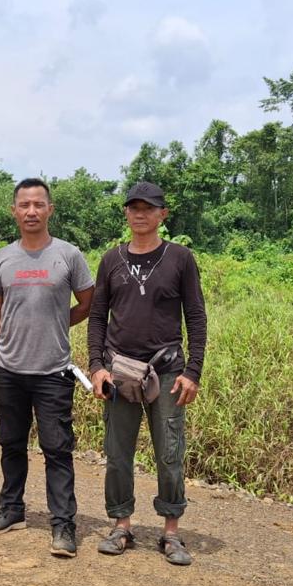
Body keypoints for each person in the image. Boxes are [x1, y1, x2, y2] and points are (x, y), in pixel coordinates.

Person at [88, 181, 207, 566]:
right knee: (118, 453)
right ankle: (121, 525)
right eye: (133, 207)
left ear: (162, 215)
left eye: (148, 208)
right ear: (126, 213)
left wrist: (193, 371)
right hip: (120, 371)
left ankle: (170, 533)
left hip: (168, 370)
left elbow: (196, 316)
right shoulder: (111, 259)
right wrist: (96, 367)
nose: (140, 213)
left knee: (169, 452)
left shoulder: (180, 258)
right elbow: (97, 317)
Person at [0, 178, 94, 557]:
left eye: (38, 205)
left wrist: (59, 324)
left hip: (53, 371)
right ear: (14, 211)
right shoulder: (2, 258)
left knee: (57, 448)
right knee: (11, 443)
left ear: (50, 210)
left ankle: (63, 526)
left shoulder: (69, 255)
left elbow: (87, 302)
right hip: (9, 368)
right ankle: (11, 510)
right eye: (24, 205)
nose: (31, 211)